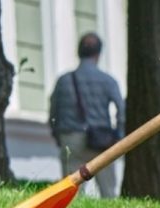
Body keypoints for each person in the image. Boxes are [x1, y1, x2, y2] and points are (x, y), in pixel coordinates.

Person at [49, 33, 126, 198]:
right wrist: (118, 135)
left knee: (71, 192)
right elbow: (121, 109)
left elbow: (53, 110)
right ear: (98, 54)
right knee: (108, 192)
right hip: (102, 141)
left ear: (78, 52)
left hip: (71, 138)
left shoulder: (63, 81)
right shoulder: (108, 81)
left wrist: (57, 134)